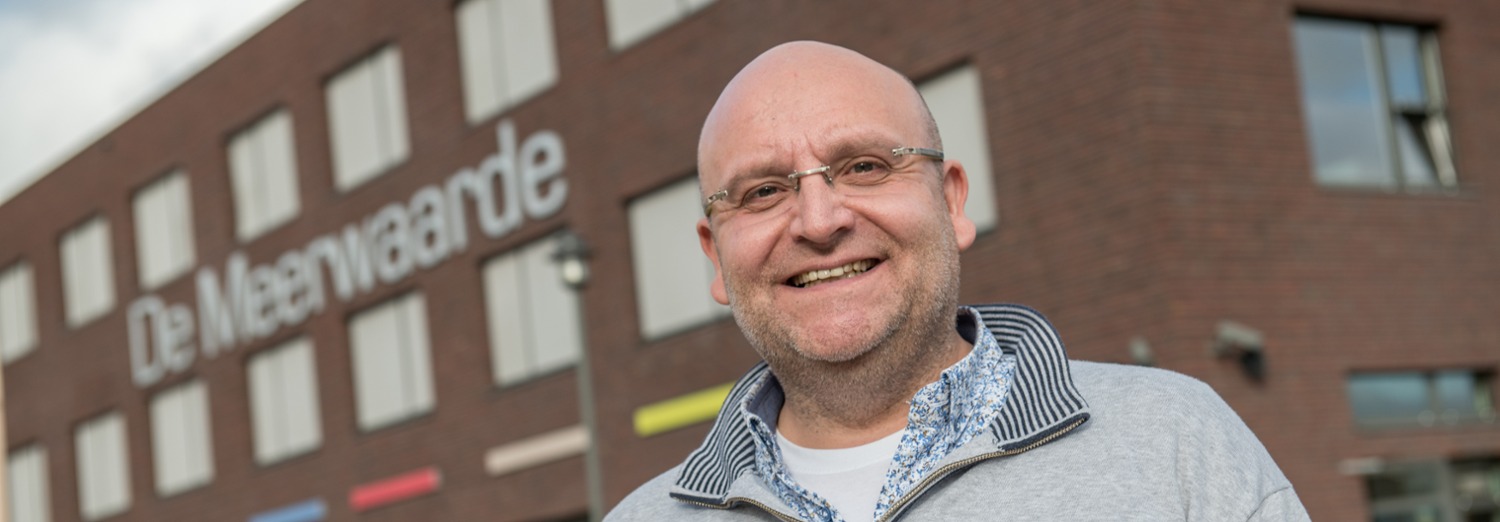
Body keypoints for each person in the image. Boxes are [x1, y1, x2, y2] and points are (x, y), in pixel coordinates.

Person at [607, 41, 1309, 521]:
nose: (819, 221)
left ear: (951, 201)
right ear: (715, 257)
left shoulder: (1175, 443)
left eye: (864, 167)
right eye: (763, 191)